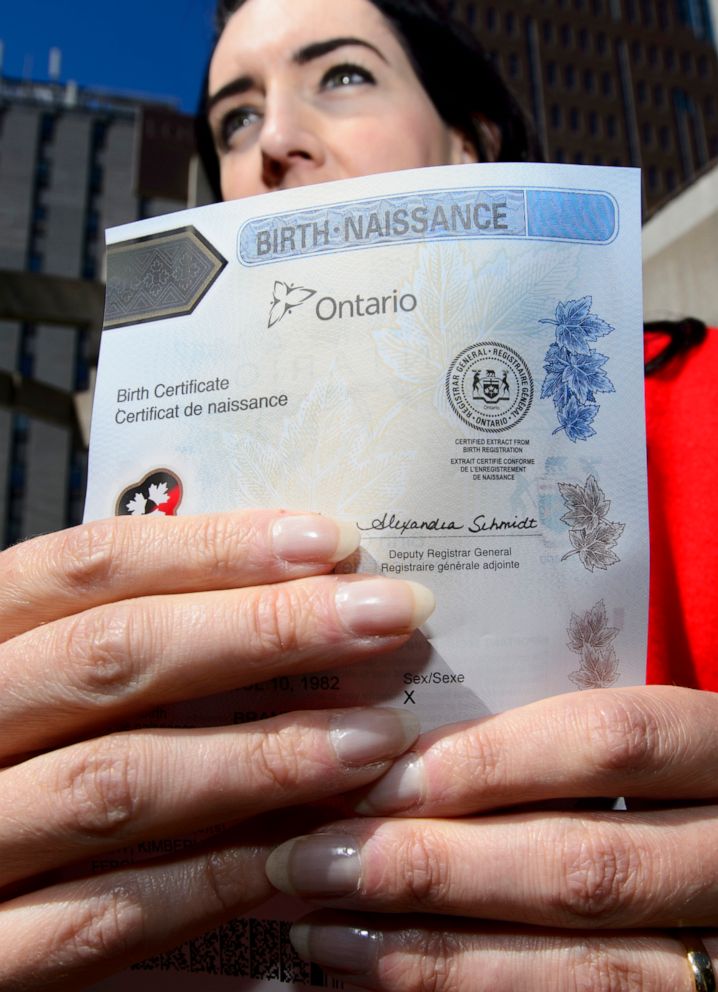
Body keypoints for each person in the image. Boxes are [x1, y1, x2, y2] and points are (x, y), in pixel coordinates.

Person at [0, 0, 715, 989]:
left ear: (471, 144)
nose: (277, 143)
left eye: (341, 75)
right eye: (235, 120)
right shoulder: (153, 511)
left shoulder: (697, 403)